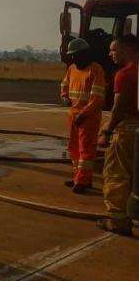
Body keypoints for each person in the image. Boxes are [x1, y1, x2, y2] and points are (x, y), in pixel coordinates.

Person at [97, 35, 139, 235]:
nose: (110, 54)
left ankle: (118, 221)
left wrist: (107, 130)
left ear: (127, 49)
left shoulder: (125, 74)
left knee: (117, 174)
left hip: (128, 130)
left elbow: (119, 107)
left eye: (114, 50)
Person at [60, 38, 106, 194]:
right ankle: (78, 177)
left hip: (89, 117)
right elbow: (64, 85)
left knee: (86, 150)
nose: (73, 58)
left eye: (75, 55)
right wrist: (65, 97)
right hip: (73, 115)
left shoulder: (96, 70)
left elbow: (97, 99)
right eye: (72, 56)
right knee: (74, 148)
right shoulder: (72, 68)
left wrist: (84, 114)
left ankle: (83, 181)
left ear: (85, 54)